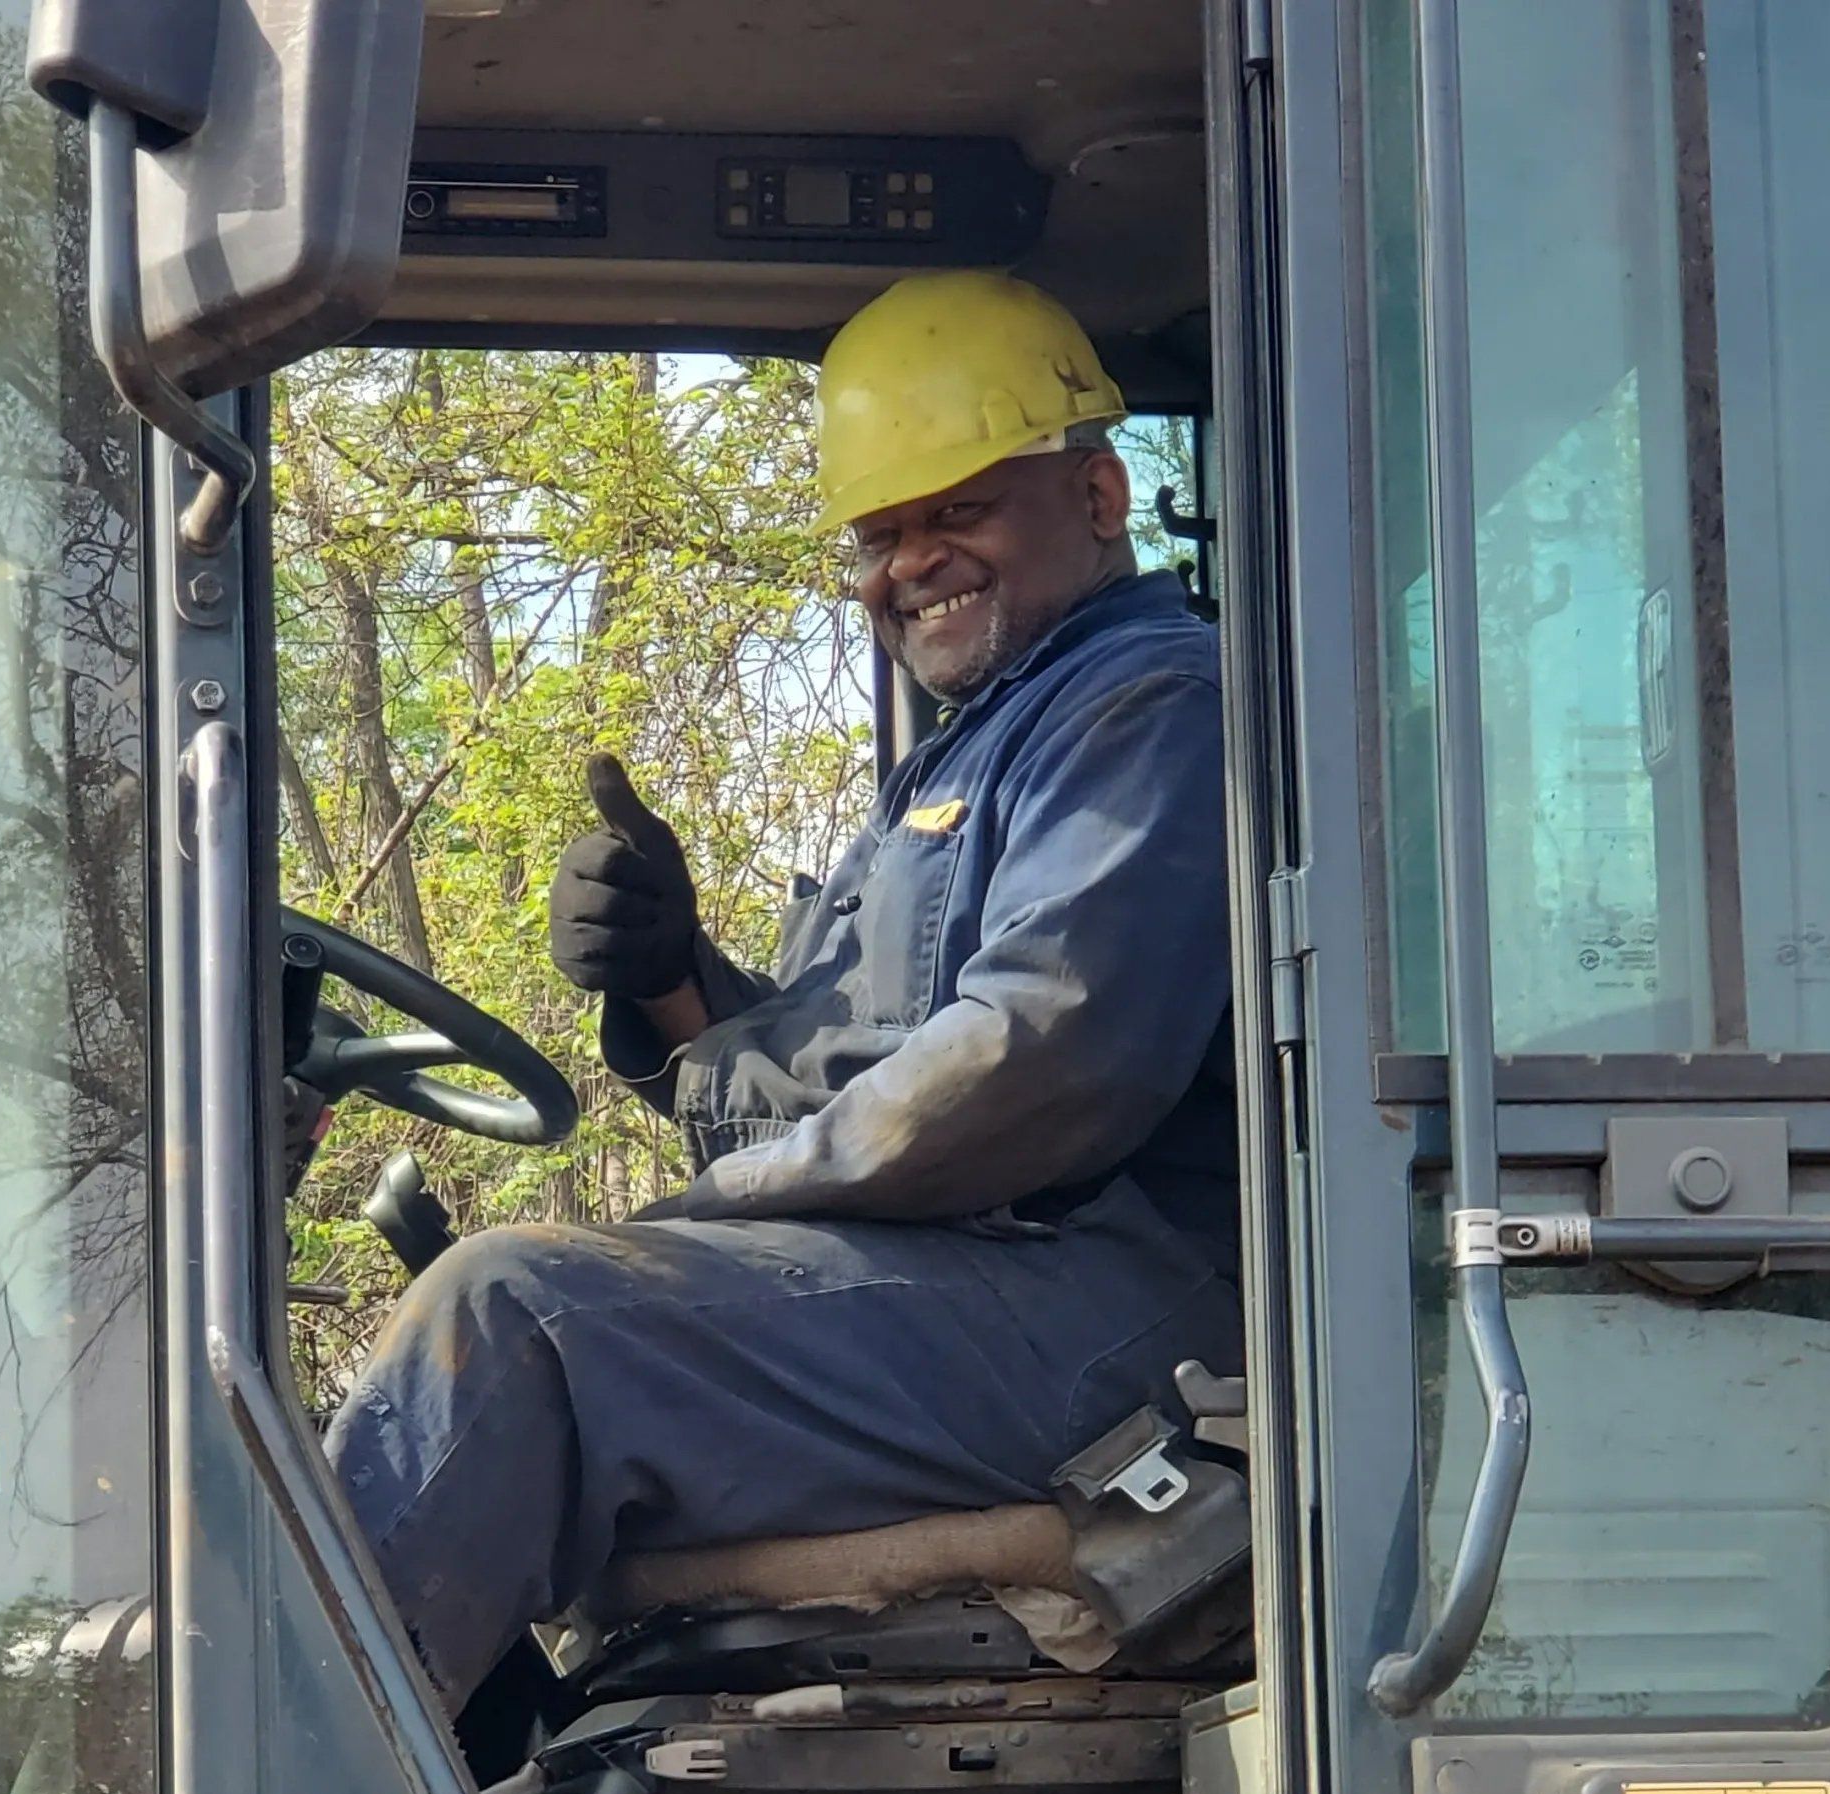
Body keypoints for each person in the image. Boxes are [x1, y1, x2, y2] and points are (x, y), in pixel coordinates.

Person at [326, 270, 1241, 1713]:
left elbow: (1043, 1060)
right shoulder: (965, 750)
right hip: (994, 1281)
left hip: (1112, 1310)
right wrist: (674, 983)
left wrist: (715, 1207)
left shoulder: (1150, 702)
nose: (913, 563)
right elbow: (857, 1068)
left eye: (959, 511)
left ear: (1099, 493)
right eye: (880, 535)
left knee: (523, 1324)